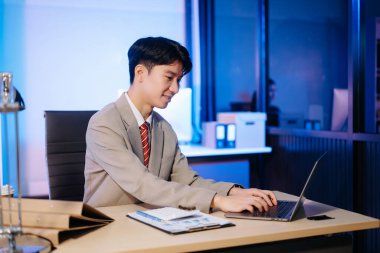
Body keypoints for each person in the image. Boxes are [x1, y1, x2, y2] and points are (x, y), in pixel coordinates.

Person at [83, 36, 277, 213]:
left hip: (151, 218)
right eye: (169, 78)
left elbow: (187, 180)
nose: (176, 89)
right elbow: (143, 184)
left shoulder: (164, 128)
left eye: (179, 80)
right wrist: (217, 201)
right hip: (109, 223)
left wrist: (232, 192)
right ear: (140, 73)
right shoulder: (104, 123)